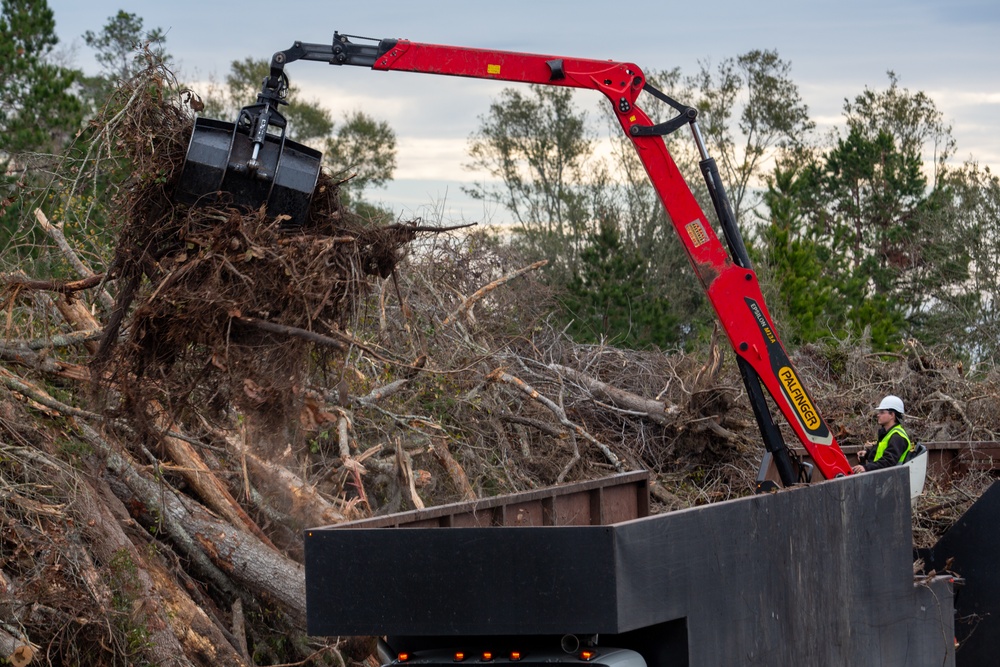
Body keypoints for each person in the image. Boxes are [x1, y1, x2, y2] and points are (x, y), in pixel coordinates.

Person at [852, 395, 912, 474]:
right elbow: (881, 453)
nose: (878, 415)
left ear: (892, 415)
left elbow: (889, 461)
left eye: (882, 412)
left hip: (891, 480)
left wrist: (866, 468)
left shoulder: (897, 437)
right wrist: (867, 454)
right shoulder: (888, 433)